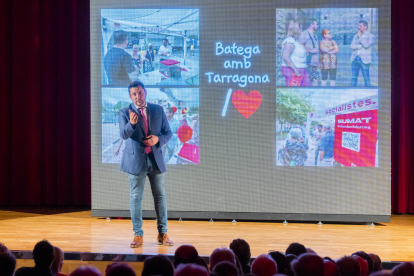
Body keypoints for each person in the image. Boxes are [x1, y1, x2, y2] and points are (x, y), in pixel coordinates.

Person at [118, 81, 173, 248]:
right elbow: (123, 134)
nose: (138, 96)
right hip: (136, 161)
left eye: (140, 93)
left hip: (155, 159)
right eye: (134, 94)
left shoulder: (158, 110)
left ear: (145, 92)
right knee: (136, 198)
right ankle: (138, 235)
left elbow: (168, 133)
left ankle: (162, 233)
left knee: (160, 197)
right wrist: (131, 124)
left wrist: (158, 140)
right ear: (130, 96)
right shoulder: (124, 112)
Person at [281, 20, 310, 86]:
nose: (301, 30)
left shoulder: (296, 41)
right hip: (294, 71)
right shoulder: (290, 41)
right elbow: (285, 57)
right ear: (297, 29)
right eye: (300, 28)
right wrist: (295, 69)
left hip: (301, 69)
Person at [350, 21, 375, 86]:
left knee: (366, 78)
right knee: (353, 78)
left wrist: (360, 37)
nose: (359, 27)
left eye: (360, 26)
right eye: (358, 26)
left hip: (365, 60)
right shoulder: (356, 35)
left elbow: (366, 45)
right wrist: (360, 46)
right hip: (355, 58)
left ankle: (369, 91)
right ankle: (352, 91)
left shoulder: (371, 36)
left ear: (365, 27)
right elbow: (352, 46)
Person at [298, 19, 320, 86]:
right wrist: (310, 50)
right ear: (311, 25)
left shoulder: (315, 36)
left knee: (316, 80)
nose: (317, 26)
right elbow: (300, 44)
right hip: (307, 62)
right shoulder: (304, 33)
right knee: (306, 82)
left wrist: (318, 61)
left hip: (314, 64)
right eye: (316, 24)